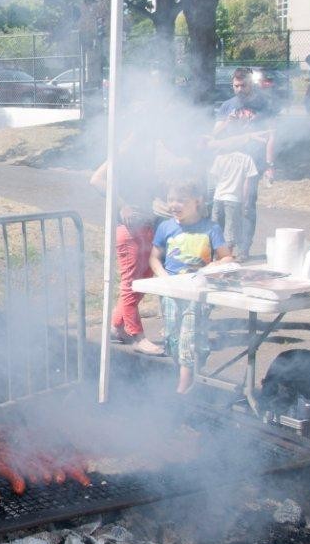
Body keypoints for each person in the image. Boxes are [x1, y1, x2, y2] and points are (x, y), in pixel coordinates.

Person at [150, 180, 234, 394]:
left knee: (189, 335)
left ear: (197, 202)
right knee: (172, 336)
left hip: (197, 291)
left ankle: (184, 385)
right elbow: (154, 258)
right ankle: (189, 367)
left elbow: (227, 257)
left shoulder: (211, 228)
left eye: (181, 200)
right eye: (170, 200)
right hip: (170, 290)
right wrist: (163, 278)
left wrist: (215, 265)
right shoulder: (165, 227)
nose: (174, 205)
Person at [89, 132, 164, 356]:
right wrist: (122, 205)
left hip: (147, 225)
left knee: (145, 278)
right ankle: (136, 336)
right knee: (131, 283)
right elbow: (96, 179)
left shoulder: (147, 157)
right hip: (129, 229)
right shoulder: (120, 155)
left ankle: (117, 325)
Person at [211, 67, 276, 261]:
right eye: (236, 86)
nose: (239, 89)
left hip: (252, 162)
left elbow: (271, 136)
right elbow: (214, 135)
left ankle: (244, 249)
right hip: (229, 162)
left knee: (247, 205)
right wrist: (227, 123)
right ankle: (222, 250)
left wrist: (270, 165)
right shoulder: (227, 106)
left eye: (243, 85)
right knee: (223, 204)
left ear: (251, 84)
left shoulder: (264, 105)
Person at [208, 149, 259, 260]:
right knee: (230, 230)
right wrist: (245, 202)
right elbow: (247, 183)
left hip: (218, 197)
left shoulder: (220, 157)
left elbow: (214, 177)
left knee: (216, 227)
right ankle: (226, 257)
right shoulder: (247, 158)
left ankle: (214, 256)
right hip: (233, 198)